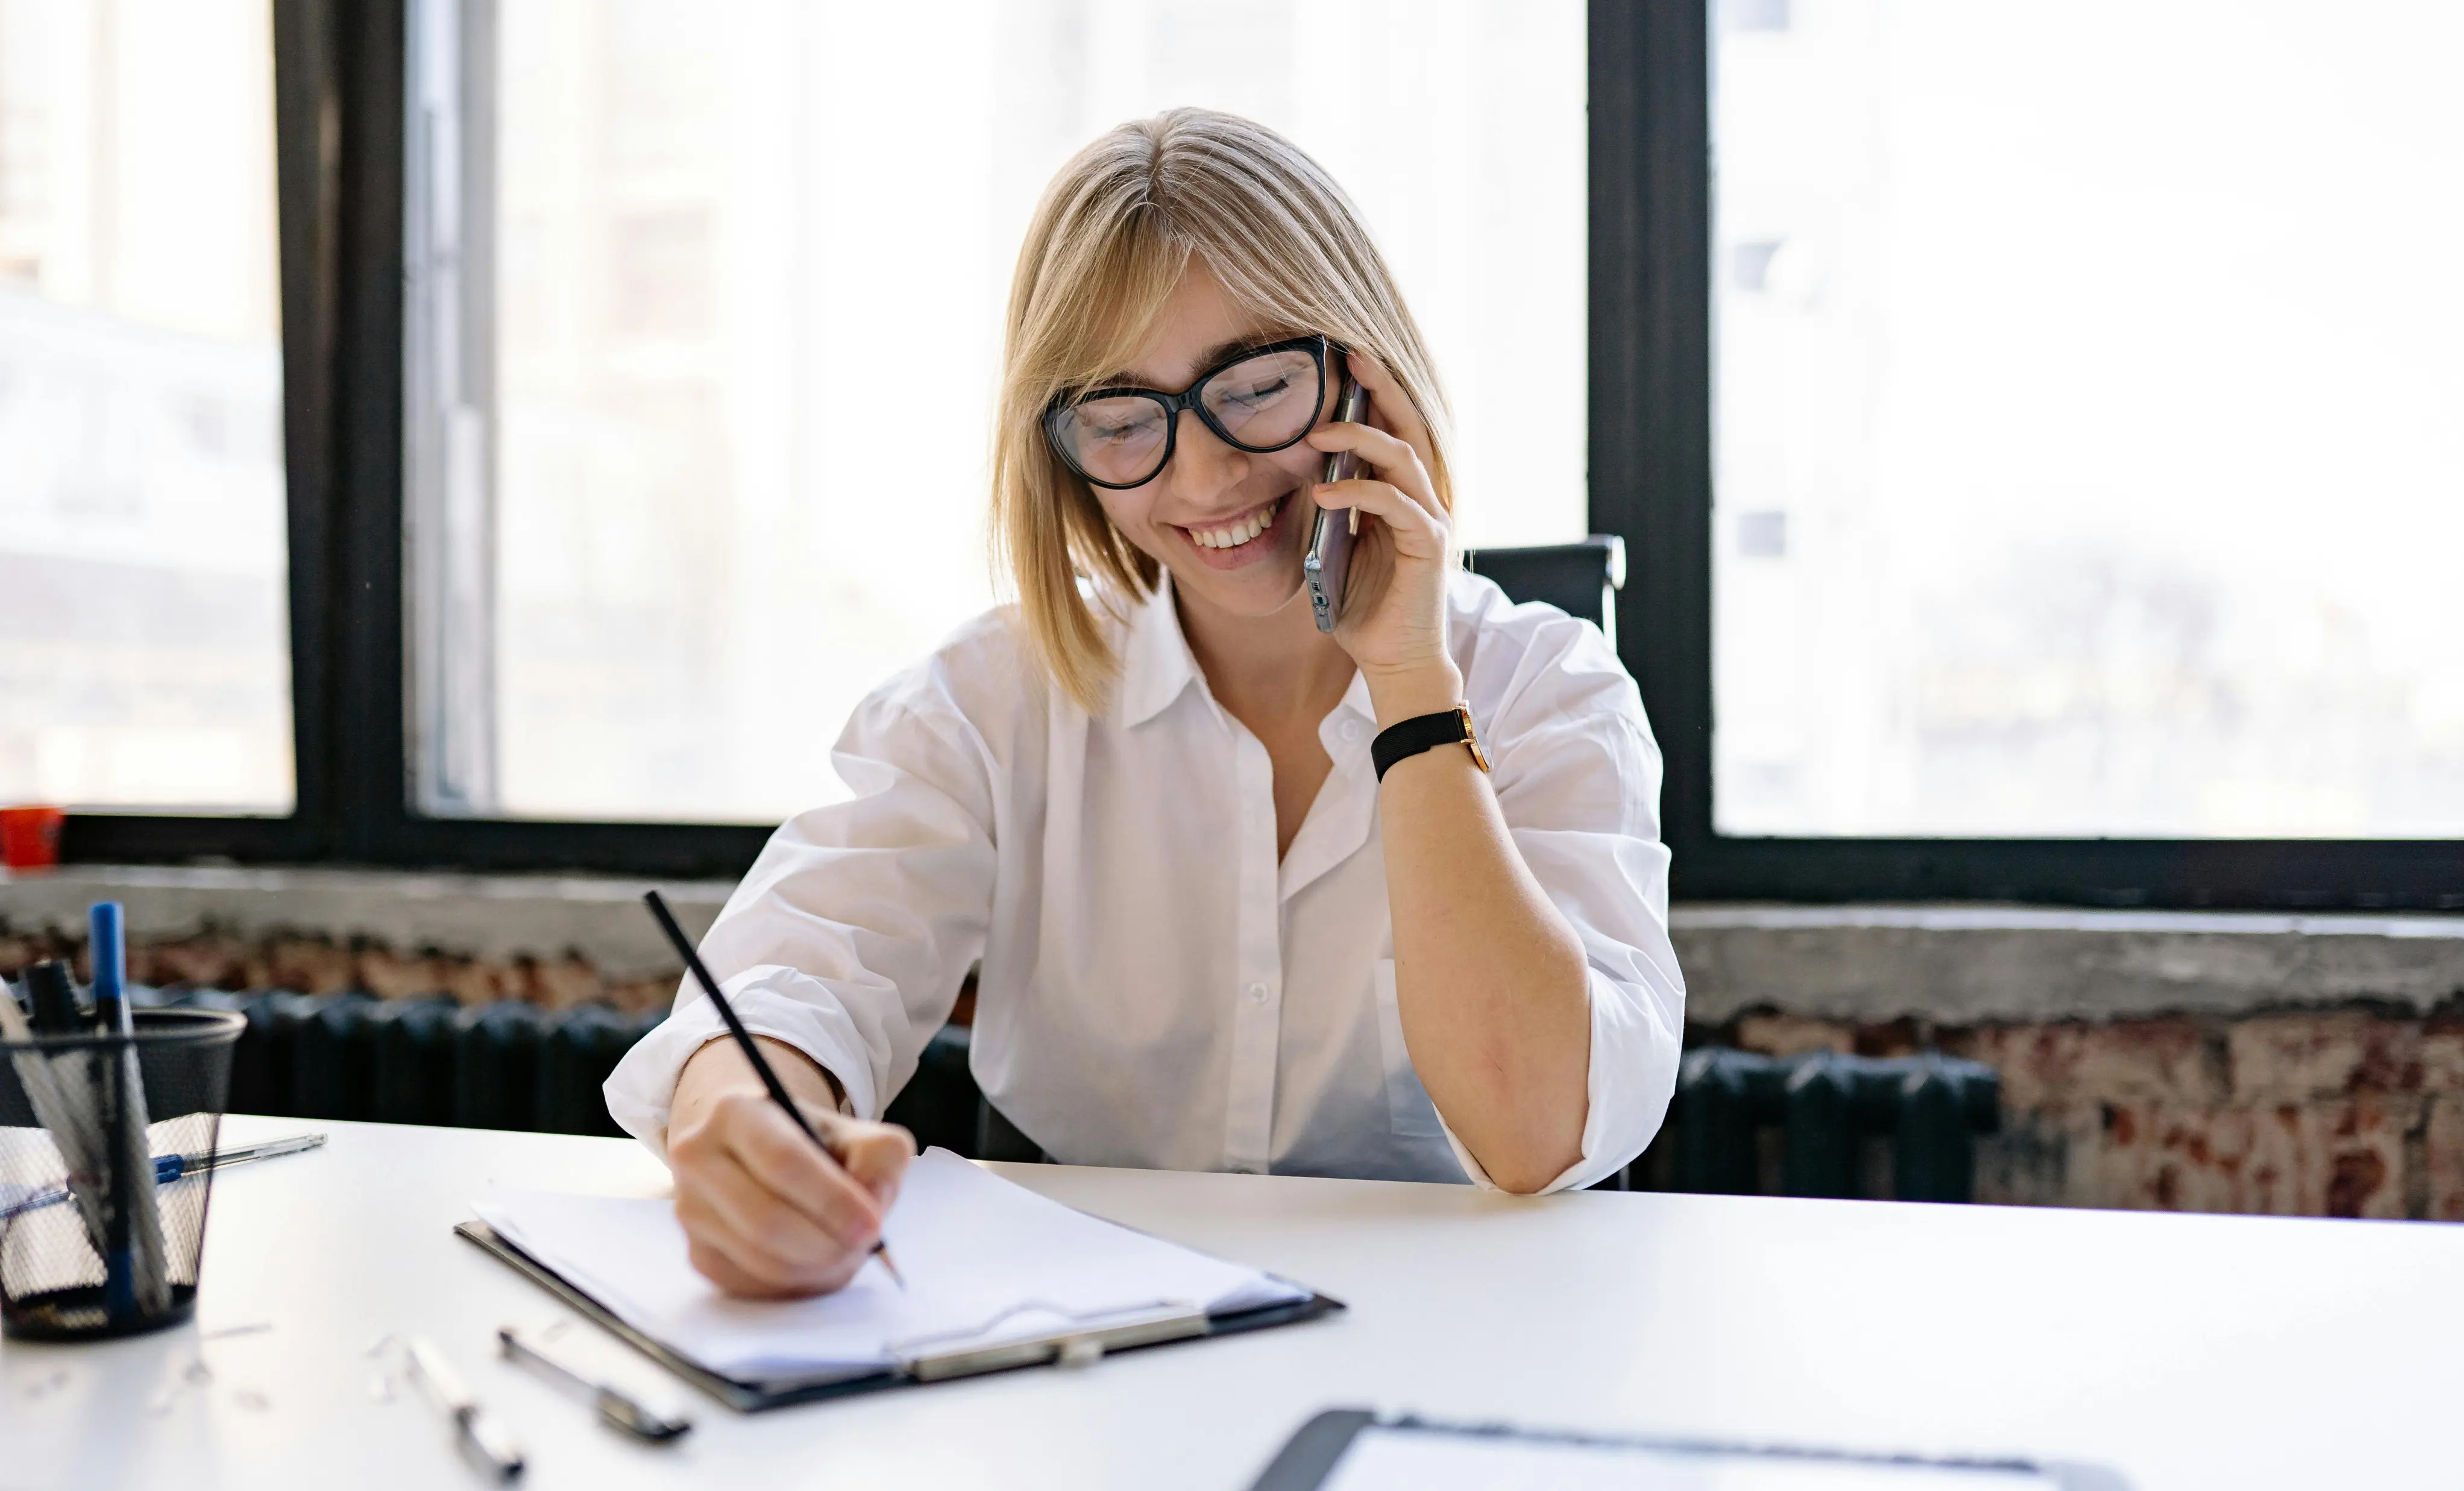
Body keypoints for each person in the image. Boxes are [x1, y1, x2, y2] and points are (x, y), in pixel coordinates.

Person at [605, 109, 1685, 1299]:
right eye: (1123, 422)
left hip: (1442, 1330)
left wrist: (1411, 685)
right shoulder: (992, 700)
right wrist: (751, 1119)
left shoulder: (1547, 691)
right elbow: (803, 971)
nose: (1208, 476)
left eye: (1258, 388)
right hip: (1086, 1338)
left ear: (1363, 373)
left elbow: (1539, 1132)